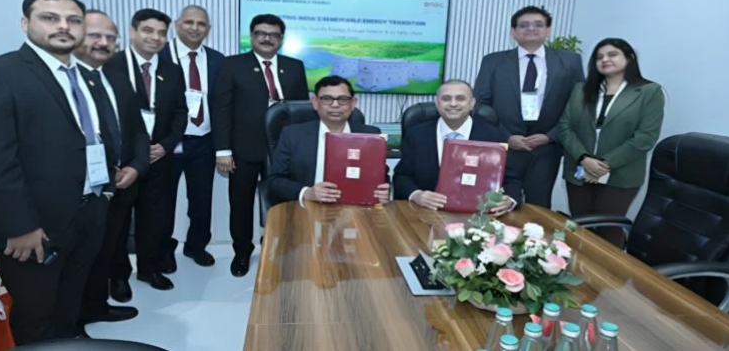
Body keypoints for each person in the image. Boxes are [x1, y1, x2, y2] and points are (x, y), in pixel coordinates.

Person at [0, 0, 113, 343]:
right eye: (50, 18)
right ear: (25, 23)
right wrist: (20, 226)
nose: (63, 26)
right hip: (33, 226)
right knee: (35, 316)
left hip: (87, 211)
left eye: (73, 20)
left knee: (69, 301)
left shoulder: (85, 76)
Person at [211, 14, 309, 277]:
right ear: (252, 36)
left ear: (281, 39)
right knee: (241, 203)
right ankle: (242, 252)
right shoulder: (232, 65)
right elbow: (221, 109)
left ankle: (276, 245)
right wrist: (223, 150)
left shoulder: (294, 66)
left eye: (273, 34)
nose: (267, 38)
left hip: (284, 151)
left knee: (282, 203)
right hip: (244, 149)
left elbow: (302, 112)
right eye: (261, 33)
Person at [73, 10, 149, 332]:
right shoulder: (63, 81)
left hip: (117, 186)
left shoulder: (116, 78)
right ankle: (72, 325)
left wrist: (136, 166)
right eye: (95, 35)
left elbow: (138, 131)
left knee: (104, 252)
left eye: (110, 37)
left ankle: (96, 308)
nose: (103, 43)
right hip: (78, 193)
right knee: (77, 262)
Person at [104, 8, 188, 292]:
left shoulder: (172, 70)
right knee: (118, 221)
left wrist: (166, 146)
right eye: (148, 31)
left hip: (158, 157)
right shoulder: (111, 65)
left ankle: (149, 269)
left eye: (162, 33)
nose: (155, 38)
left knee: (154, 219)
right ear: (132, 31)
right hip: (124, 160)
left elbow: (180, 113)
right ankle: (118, 275)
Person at [473, 6, 585, 209]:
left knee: (538, 205)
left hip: (546, 148)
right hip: (504, 145)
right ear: (513, 31)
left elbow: (577, 106)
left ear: (548, 30)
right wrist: (506, 137)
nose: (531, 29)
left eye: (538, 25)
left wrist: (550, 136)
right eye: (524, 25)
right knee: (498, 203)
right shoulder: (493, 61)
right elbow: (482, 105)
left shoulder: (570, 61)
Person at [558, 38, 665, 247]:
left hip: (620, 173)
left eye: (612, 54)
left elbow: (645, 137)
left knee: (608, 228)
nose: (605, 59)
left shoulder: (649, 91)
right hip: (579, 169)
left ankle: (610, 269)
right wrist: (584, 159)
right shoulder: (581, 89)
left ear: (629, 58)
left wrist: (604, 164)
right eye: (599, 57)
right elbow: (565, 127)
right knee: (580, 227)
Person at [157, 5, 225, 271]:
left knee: (201, 200)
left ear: (208, 29)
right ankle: (164, 249)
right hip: (168, 143)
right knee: (163, 202)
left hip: (204, 141)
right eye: (189, 22)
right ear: (177, 25)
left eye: (201, 24)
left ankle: (196, 246)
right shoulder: (160, 55)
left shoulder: (218, 60)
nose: (195, 28)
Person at [394, 80, 522, 214]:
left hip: (479, 214)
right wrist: (417, 195)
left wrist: (510, 200)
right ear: (437, 102)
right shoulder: (416, 134)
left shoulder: (494, 136)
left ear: (472, 103)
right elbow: (402, 176)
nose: (453, 104)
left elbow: (512, 179)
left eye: (460, 98)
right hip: (427, 212)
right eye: (446, 99)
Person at [266, 75, 391, 206]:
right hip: (308, 206)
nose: (335, 105)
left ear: (353, 103)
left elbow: (382, 176)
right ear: (315, 102)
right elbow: (274, 180)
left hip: (358, 208)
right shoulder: (293, 135)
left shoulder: (371, 135)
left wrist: (383, 190)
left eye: (343, 99)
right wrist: (307, 192)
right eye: (327, 99)